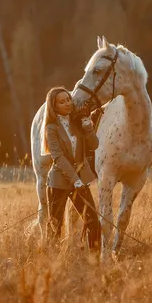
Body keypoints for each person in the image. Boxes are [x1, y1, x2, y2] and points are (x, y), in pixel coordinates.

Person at [41, 86, 101, 253]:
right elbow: (58, 158)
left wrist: (87, 125)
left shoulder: (78, 122)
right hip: (59, 182)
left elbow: (94, 145)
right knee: (55, 227)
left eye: (68, 99)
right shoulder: (51, 129)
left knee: (93, 221)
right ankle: (51, 265)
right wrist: (75, 180)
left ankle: (94, 261)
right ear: (54, 106)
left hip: (80, 181)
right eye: (62, 102)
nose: (67, 104)